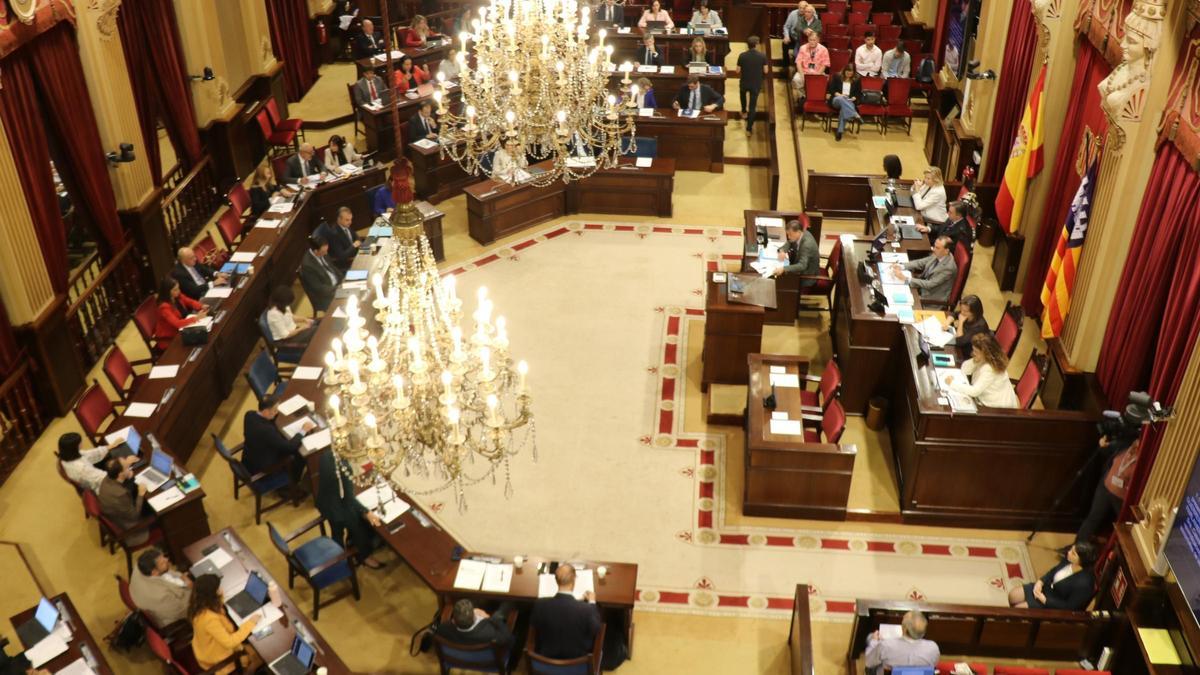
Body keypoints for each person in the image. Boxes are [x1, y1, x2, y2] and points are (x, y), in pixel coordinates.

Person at [1076, 412, 1145, 543]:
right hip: (1105, 487)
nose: (1136, 444)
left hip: (1121, 498)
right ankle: (1076, 547)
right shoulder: (1127, 444)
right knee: (1093, 518)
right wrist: (1103, 445)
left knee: (1123, 529)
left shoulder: (1145, 458)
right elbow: (1107, 451)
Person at [315, 451, 386, 569]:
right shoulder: (344, 468)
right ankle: (364, 557)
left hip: (325, 503)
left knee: (336, 533)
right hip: (339, 508)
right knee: (360, 527)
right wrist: (367, 512)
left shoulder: (326, 455)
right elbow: (349, 499)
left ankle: (339, 559)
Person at [189, 574, 260, 675]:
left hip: (209, 649)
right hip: (221, 659)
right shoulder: (209, 619)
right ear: (212, 594)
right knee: (259, 654)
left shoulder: (199, 606)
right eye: (218, 589)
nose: (221, 590)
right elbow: (230, 643)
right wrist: (251, 623)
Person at [530, 565, 602, 660]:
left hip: (545, 659)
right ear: (574, 580)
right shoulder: (587, 609)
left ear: (556, 581)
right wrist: (592, 602)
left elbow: (535, 624)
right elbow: (596, 629)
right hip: (576, 661)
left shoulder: (540, 604)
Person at [243, 395, 311, 483]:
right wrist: (303, 431)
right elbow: (290, 447)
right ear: (266, 411)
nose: (277, 412)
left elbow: (269, 421)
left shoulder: (249, 414)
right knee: (299, 456)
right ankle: (294, 482)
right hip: (263, 466)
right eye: (275, 410)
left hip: (250, 455)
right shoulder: (267, 431)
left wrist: (273, 413)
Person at [1009, 543, 1098, 610]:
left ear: (1082, 560)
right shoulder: (1068, 559)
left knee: (1018, 610)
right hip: (1046, 588)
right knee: (1013, 595)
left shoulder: (1084, 584)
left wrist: (1045, 600)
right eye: (1071, 549)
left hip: (1054, 604)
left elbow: (1069, 607)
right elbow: (1053, 571)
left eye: (1073, 553)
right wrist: (1040, 582)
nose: (1068, 552)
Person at [945, 334, 1019, 408]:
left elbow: (974, 391)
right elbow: (964, 369)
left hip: (997, 408)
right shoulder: (987, 358)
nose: (973, 353)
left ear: (986, 353)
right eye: (973, 350)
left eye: (976, 351)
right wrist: (975, 360)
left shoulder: (990, 368)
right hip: (990, 397)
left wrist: (952, 384)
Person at [130, 548, 192, 628]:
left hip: (172, 596)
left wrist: (181, 577)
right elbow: (182, 612)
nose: (167, 559)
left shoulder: (140, 566)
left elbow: (168, 572)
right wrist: (190, 586)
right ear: (154, 572)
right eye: (162, 563)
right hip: (175, 619)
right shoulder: (161, 596)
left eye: (164, 557)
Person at [863, 610, 939, 674]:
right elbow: (934, 664)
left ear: (904, 629)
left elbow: (869, 663)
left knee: (870, 638)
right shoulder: (933, 647)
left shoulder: (885, 645)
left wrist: (874, 642)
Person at [98, 458, 149, 545]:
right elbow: (134, 516)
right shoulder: (120, 495)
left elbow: (122, 485)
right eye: (127, 467)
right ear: (120, 474)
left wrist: (127, 476)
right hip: (132, 528)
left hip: (118, 513)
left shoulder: (107, 479)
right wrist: (140, 494)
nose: (130, 468)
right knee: (153, 509)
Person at [892, 235, 956, 302]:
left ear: (946, 251)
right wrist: (901, 266)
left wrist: (906, 279)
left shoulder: (949, 268)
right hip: (920, 287)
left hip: (929, 298)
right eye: (934, 246)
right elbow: (920, 263)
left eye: (937, 248)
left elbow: (930, 284)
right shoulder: (939, 254)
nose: (933, 249)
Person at [435, 598, 516, 646]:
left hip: (461, 657)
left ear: (454, 620)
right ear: (474, 617)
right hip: (486, 660)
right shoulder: (490, 633)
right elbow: (509, 639)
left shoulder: (443, 629)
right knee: (506, 605)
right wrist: (490, 618)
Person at [154, 277, 207, 343]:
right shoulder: (164, 307)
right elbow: (177, 323)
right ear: (167, 291)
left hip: (183, 328)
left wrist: (201, 306)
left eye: (178, 288)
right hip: (170, 338)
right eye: (175, 290)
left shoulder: (177, 295)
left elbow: (189, 301)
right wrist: (196, 318)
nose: (178, 291)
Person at [298, 236, 341, 313]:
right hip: (325, 295)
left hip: (337, 285)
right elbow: (319, 288)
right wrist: (337, 289)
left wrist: (344, 279)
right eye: (324, 251)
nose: (326, 253)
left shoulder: (323, 252)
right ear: (315, 251)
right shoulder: (307, 265)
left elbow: (332, 267)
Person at [772, 218, 819, 286]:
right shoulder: (802, 233)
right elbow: (789, 242)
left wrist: (783, 269)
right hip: (800, 268)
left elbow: (802, 266)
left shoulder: (807, 245)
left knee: (779, 282)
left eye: (790, 234)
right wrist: (782, 251)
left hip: (807, 276)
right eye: (787, 234)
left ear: (798, 232)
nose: (788, 237)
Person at [942, 295, 991, 359]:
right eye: (961, 309)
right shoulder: (966, 314)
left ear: (974, 312)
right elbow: (955, 314)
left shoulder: (979, 327)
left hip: (970, 352)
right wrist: (947, 322)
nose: (962, 312)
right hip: (961, 340)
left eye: (965, 311)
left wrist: (961, 322)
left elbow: (959, 342)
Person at [315, 206, 361, 271]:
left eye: (351, 219)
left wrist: (358, 241)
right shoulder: (334, 234)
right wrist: (354, 246)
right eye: (347, 220)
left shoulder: (346, 225)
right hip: (348, 262)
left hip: (356, 254)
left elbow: (356, 236)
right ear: (339, 219)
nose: (350, 222)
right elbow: (342, 256)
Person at [737, 37, 768, 133]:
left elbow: (737, 71)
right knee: (752, 107)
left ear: (748, 45)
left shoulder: (742, 55)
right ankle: (749, 129)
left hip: (744, 82)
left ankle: (743, 111)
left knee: (742, 95)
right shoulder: (762, 56)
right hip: (756, 84)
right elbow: (766, 71)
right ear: (756, 44)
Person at [826, 66, 862, 141]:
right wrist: (840, 95)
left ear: (853, 73)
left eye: (851, 73)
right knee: (842, 99)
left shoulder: (857, 80)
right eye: (847, 72)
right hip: (837, 99)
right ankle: (854, 113)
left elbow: (859, 93)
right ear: (844, 71)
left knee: (844, 109)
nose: (849, 74)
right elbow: (831, 89)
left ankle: (839, 132)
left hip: (849, 101)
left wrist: (854, 97)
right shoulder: (837, 77)